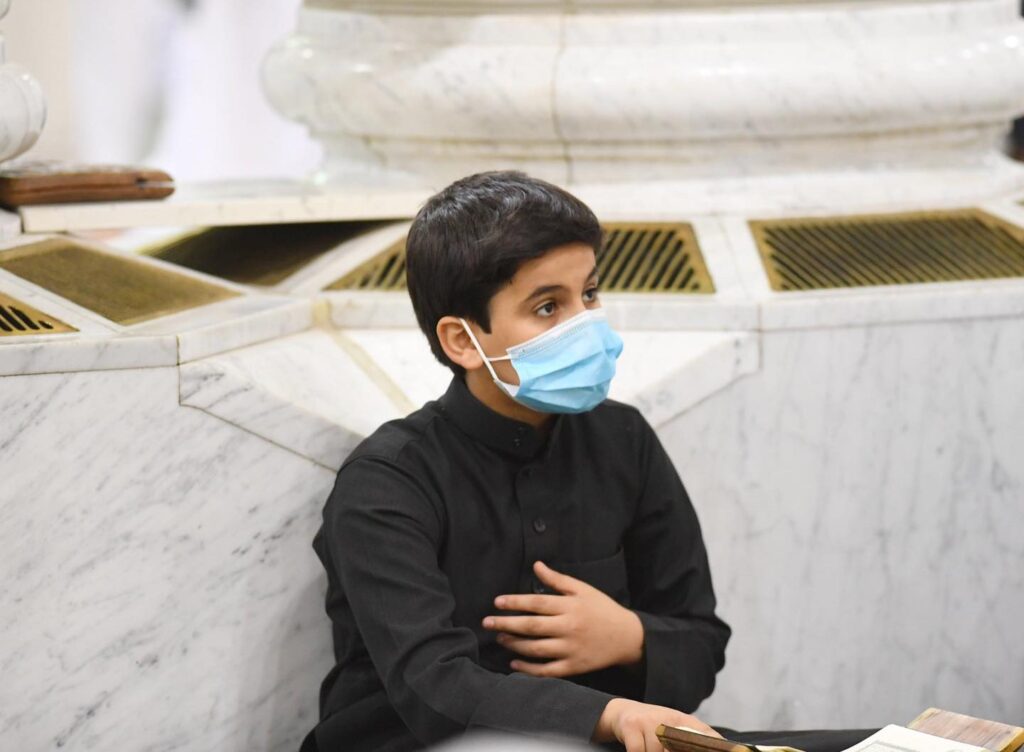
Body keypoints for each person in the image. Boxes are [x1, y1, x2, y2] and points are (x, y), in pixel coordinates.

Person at [300, 171, 867, 752]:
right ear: (463, 341)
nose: (585, 323)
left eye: (589, 294)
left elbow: (700, 642)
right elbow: (433, 688)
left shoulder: (622, 437)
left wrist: (628, 637)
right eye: (548, 307)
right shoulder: (388, 481)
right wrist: (612, 715)